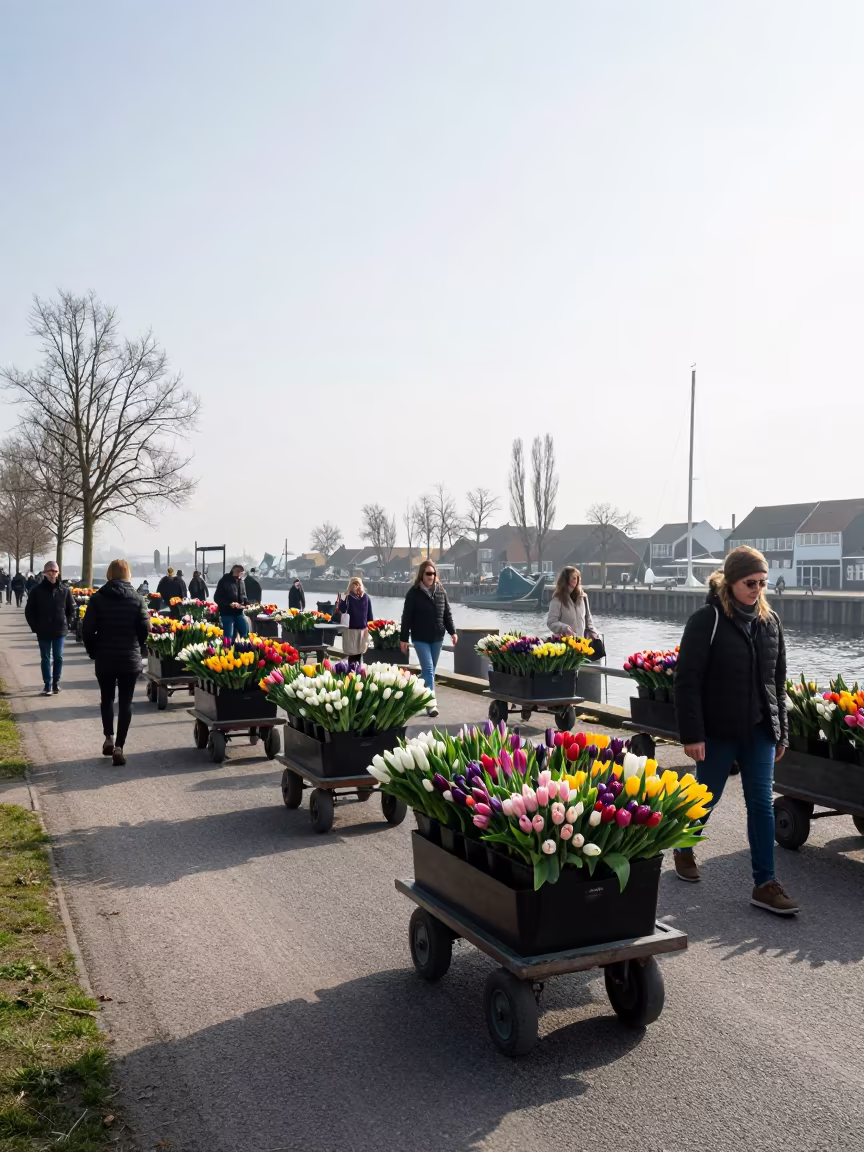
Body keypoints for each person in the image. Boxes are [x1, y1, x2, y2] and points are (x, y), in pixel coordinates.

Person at [674, 545, 797, 915]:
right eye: (750, 582)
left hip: (759, 730)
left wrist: (781, 732)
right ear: (730, 580)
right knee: (705, 799)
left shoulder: (770, 622)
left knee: (761, 804)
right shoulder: (706, 620)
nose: (757, 589)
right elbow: (687, 681)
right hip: (717, 731)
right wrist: (692, 735)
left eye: (762, 582)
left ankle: (765, 884)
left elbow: (778, 682)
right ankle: (683, 844)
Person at [82, 559, 150, 767]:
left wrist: (93, 651)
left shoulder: (97, 599)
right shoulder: (138, 599)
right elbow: (145, 629)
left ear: (109, 574)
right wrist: (137, 647)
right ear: (128, 573)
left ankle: (108, 737)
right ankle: (120, 746)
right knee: (126, 702)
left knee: (107, 698)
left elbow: (87, 630)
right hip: (129, 657)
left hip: (105, 657)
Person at [399, 561, 458, 716]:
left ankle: (410, 687)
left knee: (428, 673)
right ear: (422, 575)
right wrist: (403, 639)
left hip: (437, 637)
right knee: (429, 669)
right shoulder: (413, 593)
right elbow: (406, 617)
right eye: (428, 574)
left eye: (433, 574)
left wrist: (453, 632)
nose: (431, 576)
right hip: (420, 638)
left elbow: (447, 614)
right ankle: (431, 704)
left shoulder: (441, 592)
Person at [24, 561, 75, 696]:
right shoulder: (37, 591)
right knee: (46, 658)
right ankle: (47, 684)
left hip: (60, 629)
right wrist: (35, 627)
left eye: (55, 571)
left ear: (58, 573)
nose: (53, 573)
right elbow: (29, 611)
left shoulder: (65, 590)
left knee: (58, 657)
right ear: (45, 573)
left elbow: (70, 610)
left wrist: (67, 623)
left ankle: (55, 683)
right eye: (50, 571)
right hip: (43, 630)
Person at [546, 566, 601, 642]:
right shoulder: (558, 599)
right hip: (566, 645)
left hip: (582, 644)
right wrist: (564, 628)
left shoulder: (583, 597)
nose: (577, 581)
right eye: (574, 578)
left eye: (578, 578)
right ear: (566, 579)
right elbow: (551, 622)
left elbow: (588, 619)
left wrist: (594, 633)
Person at [335, 577, 373, 664]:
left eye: (359, 584)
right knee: (352, 654)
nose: (357, 586)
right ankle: (351, 672)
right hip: (351, 629)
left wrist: (370, 626)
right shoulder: (348, 597)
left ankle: (358, 672)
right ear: (350, 586)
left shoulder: (366, 598)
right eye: (355, 584)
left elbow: (369, 613)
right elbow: (343, 610)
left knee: (360, 652)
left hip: (362, 629)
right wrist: (342, 599)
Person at [214, 565, 250, 640]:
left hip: (239, 612)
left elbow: (244, 595)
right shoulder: (224, 581)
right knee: (229, 636)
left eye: (242, 573)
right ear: (235, 572)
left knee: (245, 632)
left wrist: (247, 603)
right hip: (227, 613)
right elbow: (217, 598)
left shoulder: (241, 582)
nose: (241, 575)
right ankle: (228, 649)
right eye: (240, 573)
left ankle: (245, 649)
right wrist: (229, 604)